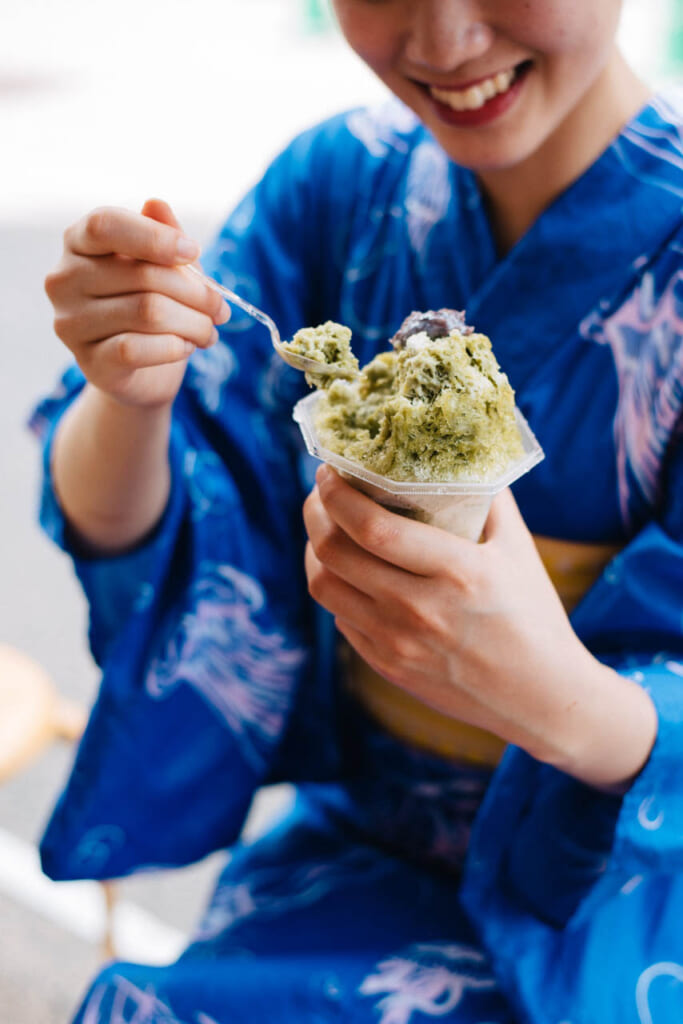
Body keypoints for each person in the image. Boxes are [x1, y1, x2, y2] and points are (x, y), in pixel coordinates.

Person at [33, 1, 683, 1021]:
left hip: (627, 905)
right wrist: (128, 393)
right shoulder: (336, 187)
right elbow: (174, 542)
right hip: (363, 847)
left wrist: (559, 696)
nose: (441, 42)